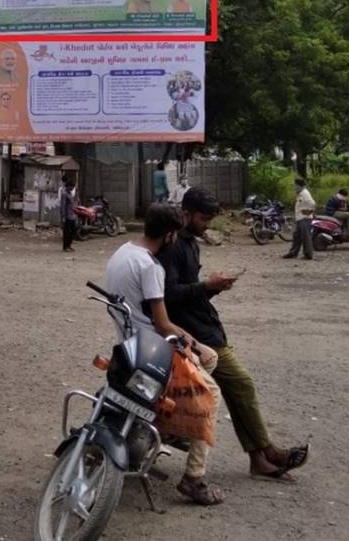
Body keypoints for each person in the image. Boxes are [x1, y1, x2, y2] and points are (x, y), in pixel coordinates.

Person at [160, 189, 310, 482]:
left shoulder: (191, 243)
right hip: (197, 334)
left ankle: (261, 456)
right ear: (186, 213)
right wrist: (206, 286)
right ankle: (265, 453)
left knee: (237, 389)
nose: (207, 225)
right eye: (203, 218)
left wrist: (214, 287)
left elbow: (188, 292)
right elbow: (167, 296)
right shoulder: (175, 245)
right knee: (240, 385)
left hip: (205, 327)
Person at [104, 203, 224, 506]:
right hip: (152, 351)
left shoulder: (122, 252)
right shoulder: (151, 267)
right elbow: (163, 324)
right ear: (170, 236)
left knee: (210, 359)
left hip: (127, 343)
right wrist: (194, 343)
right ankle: (194, 477)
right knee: (211, 391)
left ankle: (167, 429)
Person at [283, 178, 315, 260]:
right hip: (300, 218)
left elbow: (312, 203)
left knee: (305, 237)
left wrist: (309, 211)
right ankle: (293, 253)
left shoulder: (305, 193)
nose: (294, 187)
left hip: (305, 218)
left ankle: (308, 255)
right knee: (297, 236)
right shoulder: (301, 193)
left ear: (298, 185)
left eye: (295, 185)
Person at [59, 175, 77, 253]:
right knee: (67, 232)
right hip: (67, 216)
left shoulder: (70, 194)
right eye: (72, 187)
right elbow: (63, 206)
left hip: (72, 215)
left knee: (73, 230)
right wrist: (63, 217)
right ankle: (65, 246)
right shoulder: (64, 193)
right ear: (69, 186)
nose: (73, 188)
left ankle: (69, 245)